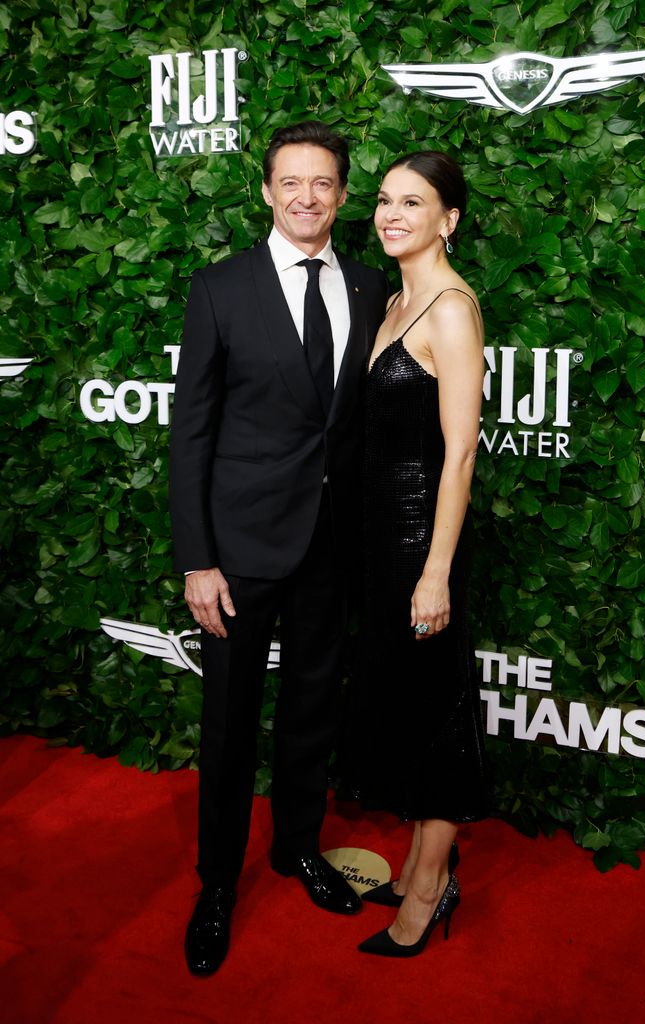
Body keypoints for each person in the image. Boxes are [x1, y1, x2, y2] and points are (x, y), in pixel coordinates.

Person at [169, 121, 389, 976]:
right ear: (266, 192)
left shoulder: (371, 287)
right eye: (290, 182)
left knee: (309, 712)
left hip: (331, 549)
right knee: (226, 725)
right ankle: (215, 884)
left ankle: (297, 846)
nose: (306, 197)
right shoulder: (219, 288)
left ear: (342, 195)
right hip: (239, 552)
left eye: (323, 183)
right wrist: (197, 558)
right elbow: (191, 434)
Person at [348, 151, 488, 957]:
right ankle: (418, 858)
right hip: (380, 542)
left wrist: (434, 571)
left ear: (449, 220)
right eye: (383, 200)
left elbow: (459, 454)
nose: (391, 214)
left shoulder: (450, 310)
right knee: (403, 700)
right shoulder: (397, 298)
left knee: (434, 709)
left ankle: (431, 887)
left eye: (414, 202)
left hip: (421, 543)